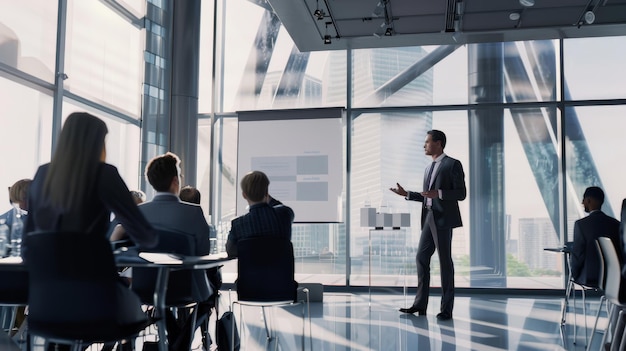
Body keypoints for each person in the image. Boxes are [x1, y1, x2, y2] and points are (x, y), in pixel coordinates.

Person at [23, 112, 158, 350]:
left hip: (46, 305)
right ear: (97, 143)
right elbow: (147, 237)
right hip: (99, 305)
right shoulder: (104, 174)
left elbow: (28, 243)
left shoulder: (43, 174)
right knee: (147, 309)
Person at [138, 152, 214, 351]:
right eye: (179, 176)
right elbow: (203, 253)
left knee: (161, 302)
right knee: (208, 300)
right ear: (174, 181)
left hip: (146, 287)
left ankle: (176, 340)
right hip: (187, 288)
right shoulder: (193, 212)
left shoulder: (139, 212)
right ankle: (181, 344)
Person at [390, 129, 466, 321]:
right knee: (421, 258)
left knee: (445, 263)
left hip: (443, 219)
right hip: (429, 217)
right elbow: (427, 198)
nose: (424, 145)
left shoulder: (453, 164)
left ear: (439, 143)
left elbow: (461, 194)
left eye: (427, 142)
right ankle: (420, 304)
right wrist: (407, 194)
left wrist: (440, 193)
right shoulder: (428, 168)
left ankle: (446, 310)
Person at [225, 170, 294, 258]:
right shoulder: (285, 214)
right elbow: (279, 206)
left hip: (250, 272)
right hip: (282, 272)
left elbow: (231, 252)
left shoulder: (238, 224)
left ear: (244, 195)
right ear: (267, 193)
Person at [570, 186, 620, 287]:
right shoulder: (616, 224)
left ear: (589, 200)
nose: (582, 203)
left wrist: (574, 274)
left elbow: (578, 255)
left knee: (572, 277)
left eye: (583, 199)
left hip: (589, 277)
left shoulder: (581, 225)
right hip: (613, 277)